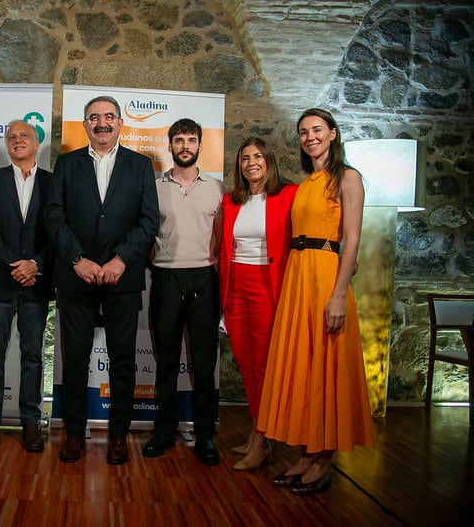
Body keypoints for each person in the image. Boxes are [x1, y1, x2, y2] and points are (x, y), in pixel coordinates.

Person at [257, 108, 375, 495]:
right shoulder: (307, 182)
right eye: (304, 132)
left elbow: (353, 240)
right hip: (298, 274)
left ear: (333, 134)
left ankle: (324, 459)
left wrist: (339, 293)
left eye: (318, 130)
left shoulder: (349, 178)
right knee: (305, 365)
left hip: (326, 275)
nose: (310, 137)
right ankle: (307, 454)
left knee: (326, 364)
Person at [44, 95, 159, 465]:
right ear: (86, 124)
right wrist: (78, 260)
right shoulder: (66, 164)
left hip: (121, 279)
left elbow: (148, 221)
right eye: (94, 117)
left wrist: (121, 260)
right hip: (75, 277)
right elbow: (54, 216)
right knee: (74, 360)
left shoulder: (141, 166)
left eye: (109, 116)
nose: (102, 123)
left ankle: (118, 436)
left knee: (123, 361)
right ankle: (75, 434)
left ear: (120, 123)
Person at [141, 118, 226, 466]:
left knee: (204, 364)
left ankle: (205, 434)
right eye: (179, 140)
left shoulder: (218, 188)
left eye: (191, 140)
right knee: (166, 361)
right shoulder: (155, 187)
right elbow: (145, 231)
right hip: (165, 277)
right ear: (170, 145)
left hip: (205, 278)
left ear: (200, 146)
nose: (185, 145)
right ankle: (164, 431)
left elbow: (222, 237)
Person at [0, 120, 53, 454]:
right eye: (12, 137)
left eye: (24, 136)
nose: (18, 140)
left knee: (33, 355)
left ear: (37, 144)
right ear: (7, 146)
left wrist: (36, 264)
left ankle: (30, 424)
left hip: (37, 282)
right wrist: (15, 266)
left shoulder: (53, 183)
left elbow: (58, 232)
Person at [219, 137, 298, 471]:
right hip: (235, 287)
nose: (251, 162)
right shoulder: (231, 200)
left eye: (258, 157)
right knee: (246, 365)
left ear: (268, 160)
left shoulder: (289, 196)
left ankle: (263, 440)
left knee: (266, 367)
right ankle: (257, 433)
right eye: (245, 157)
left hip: (268, 289)